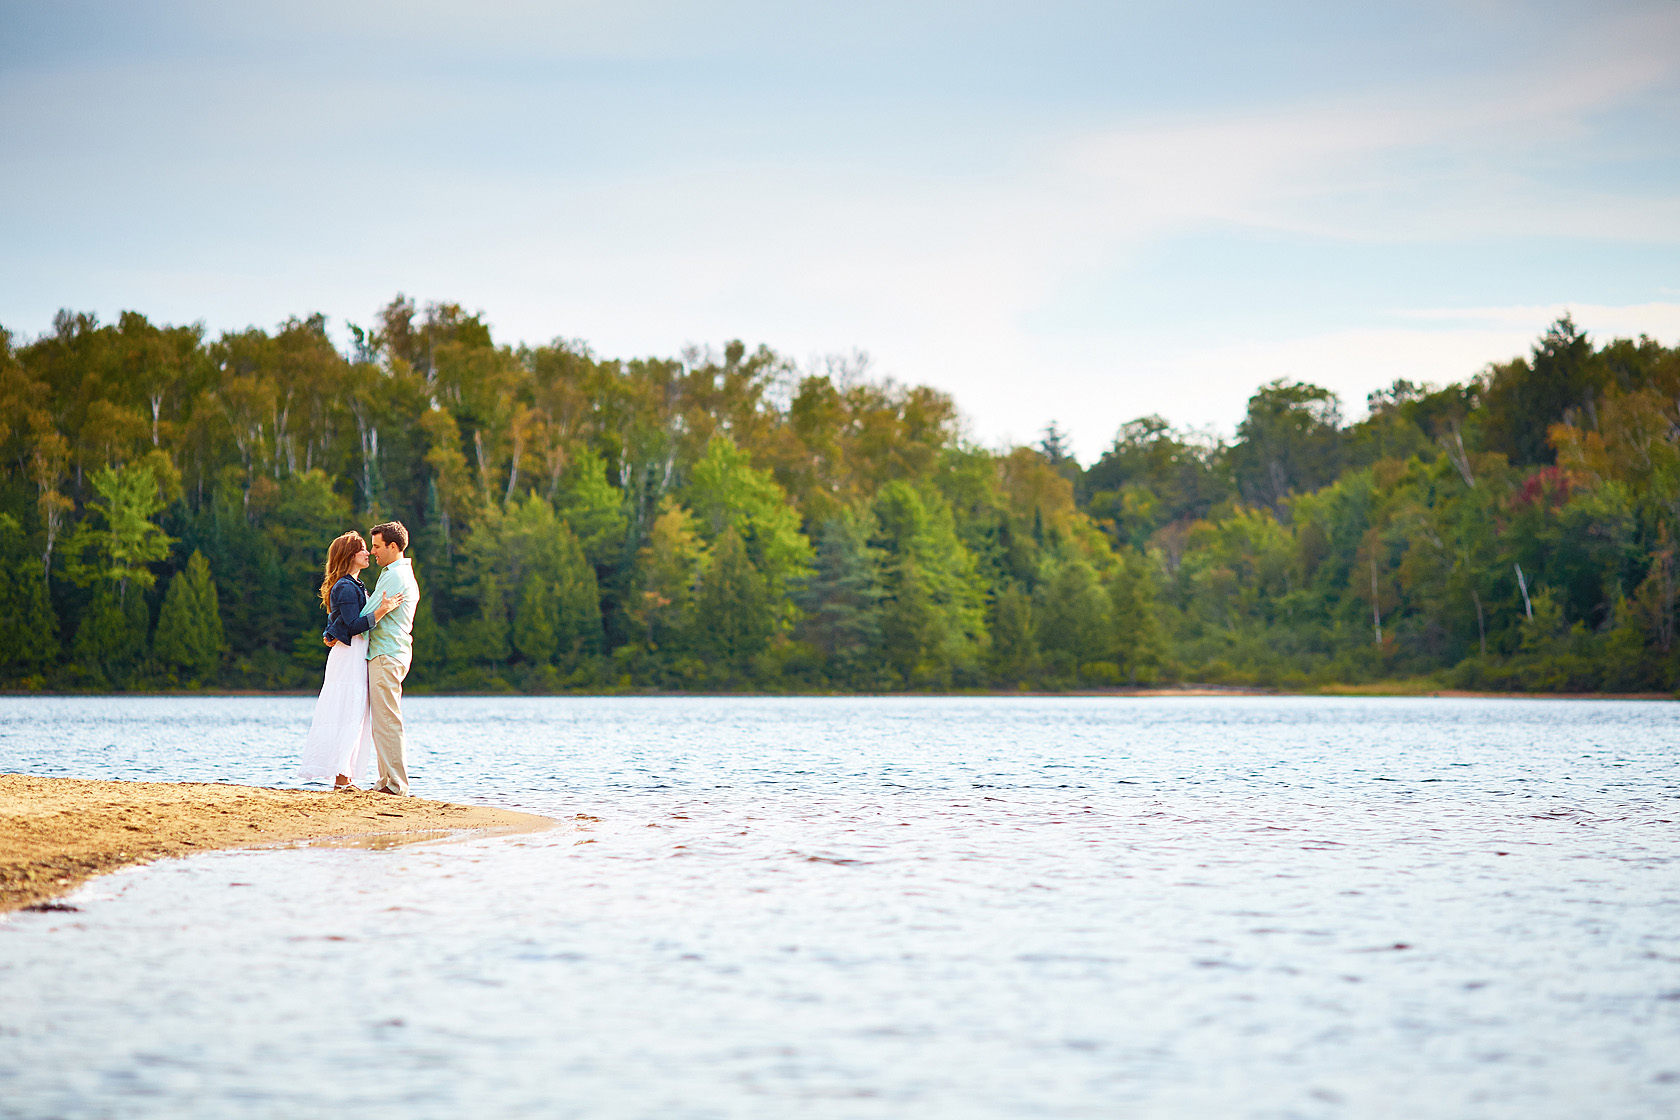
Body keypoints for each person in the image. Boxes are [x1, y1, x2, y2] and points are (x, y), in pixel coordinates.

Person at [299, 531, 401, 790]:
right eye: (363, 549)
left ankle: (344, 776)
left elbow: (337, 621)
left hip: (356, 654)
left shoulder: (355, 585)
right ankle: (341, 779)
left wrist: (329, 632)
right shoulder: (345, 586)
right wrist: (382, 611)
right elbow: (354, 625)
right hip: (348, 656)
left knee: (354, 711)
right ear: (350, 556)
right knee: (347, 711)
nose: (369, 553)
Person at [358, 521, 420, 796]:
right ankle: (386, 781)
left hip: (386, 654)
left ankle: (395, 785)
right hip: (390, 652)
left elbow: (366, 615)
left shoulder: (395, 576)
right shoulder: (398, 573)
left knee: (387, 720)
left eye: (376, 546)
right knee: (383, 720)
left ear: (393, 547)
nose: (372, 552)